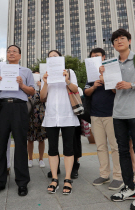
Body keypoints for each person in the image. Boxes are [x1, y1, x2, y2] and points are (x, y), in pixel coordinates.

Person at [102, 29, 135, 210]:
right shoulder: (112, 64)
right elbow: (114, 90)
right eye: (115, 40)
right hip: (118, 114)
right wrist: (105, 78)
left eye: (122, 38)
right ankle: (129, 187)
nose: (119, 41)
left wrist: (131, 84)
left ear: (129, 41)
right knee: (123, 151)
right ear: (113, 45)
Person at [0, 45, 35, 197]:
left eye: (14, 51)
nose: (11, 53)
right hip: (2, 107)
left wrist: (21, 85)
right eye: (8, 51)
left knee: (21, 144)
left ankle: (22, 183)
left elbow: (33, 91)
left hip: (19, 107)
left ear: (20, 55)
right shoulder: (0, 71)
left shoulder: (26, 71)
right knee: (0, 145)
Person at [84, 48, 124, 190]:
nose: (94, 58)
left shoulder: (112, 70)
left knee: (115, 147)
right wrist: (94, 85)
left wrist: (105, 78)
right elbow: (86, 93)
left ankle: (119, 176)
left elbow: (116, 90)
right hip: (95, 115)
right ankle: (104, 174)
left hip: (112, 114)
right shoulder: (91, 75)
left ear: (104, 57)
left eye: (97, 56)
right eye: (92, 56)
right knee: (100, 147)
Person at [40, 50, 79, 195]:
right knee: (52, 148)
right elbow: (42, 97)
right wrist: (44, 82)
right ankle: (55, 178)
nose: (52, 59)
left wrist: (67, 79)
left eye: (55, 57)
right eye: (50, 57)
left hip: (67, 114)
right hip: (51, 115)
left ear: (61, 58)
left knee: (68, 147)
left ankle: (68, 179)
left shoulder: (69, 71)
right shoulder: (45, 74)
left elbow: (75, 90)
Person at [27, 72, 47, 168]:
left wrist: (41, 86)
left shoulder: (43, 86)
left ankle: (41, 159)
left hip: (41, 115)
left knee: (41, 139)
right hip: (30, 115)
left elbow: (44, 99)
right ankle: (30, 159)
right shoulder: (29, 87)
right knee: (30, 139)